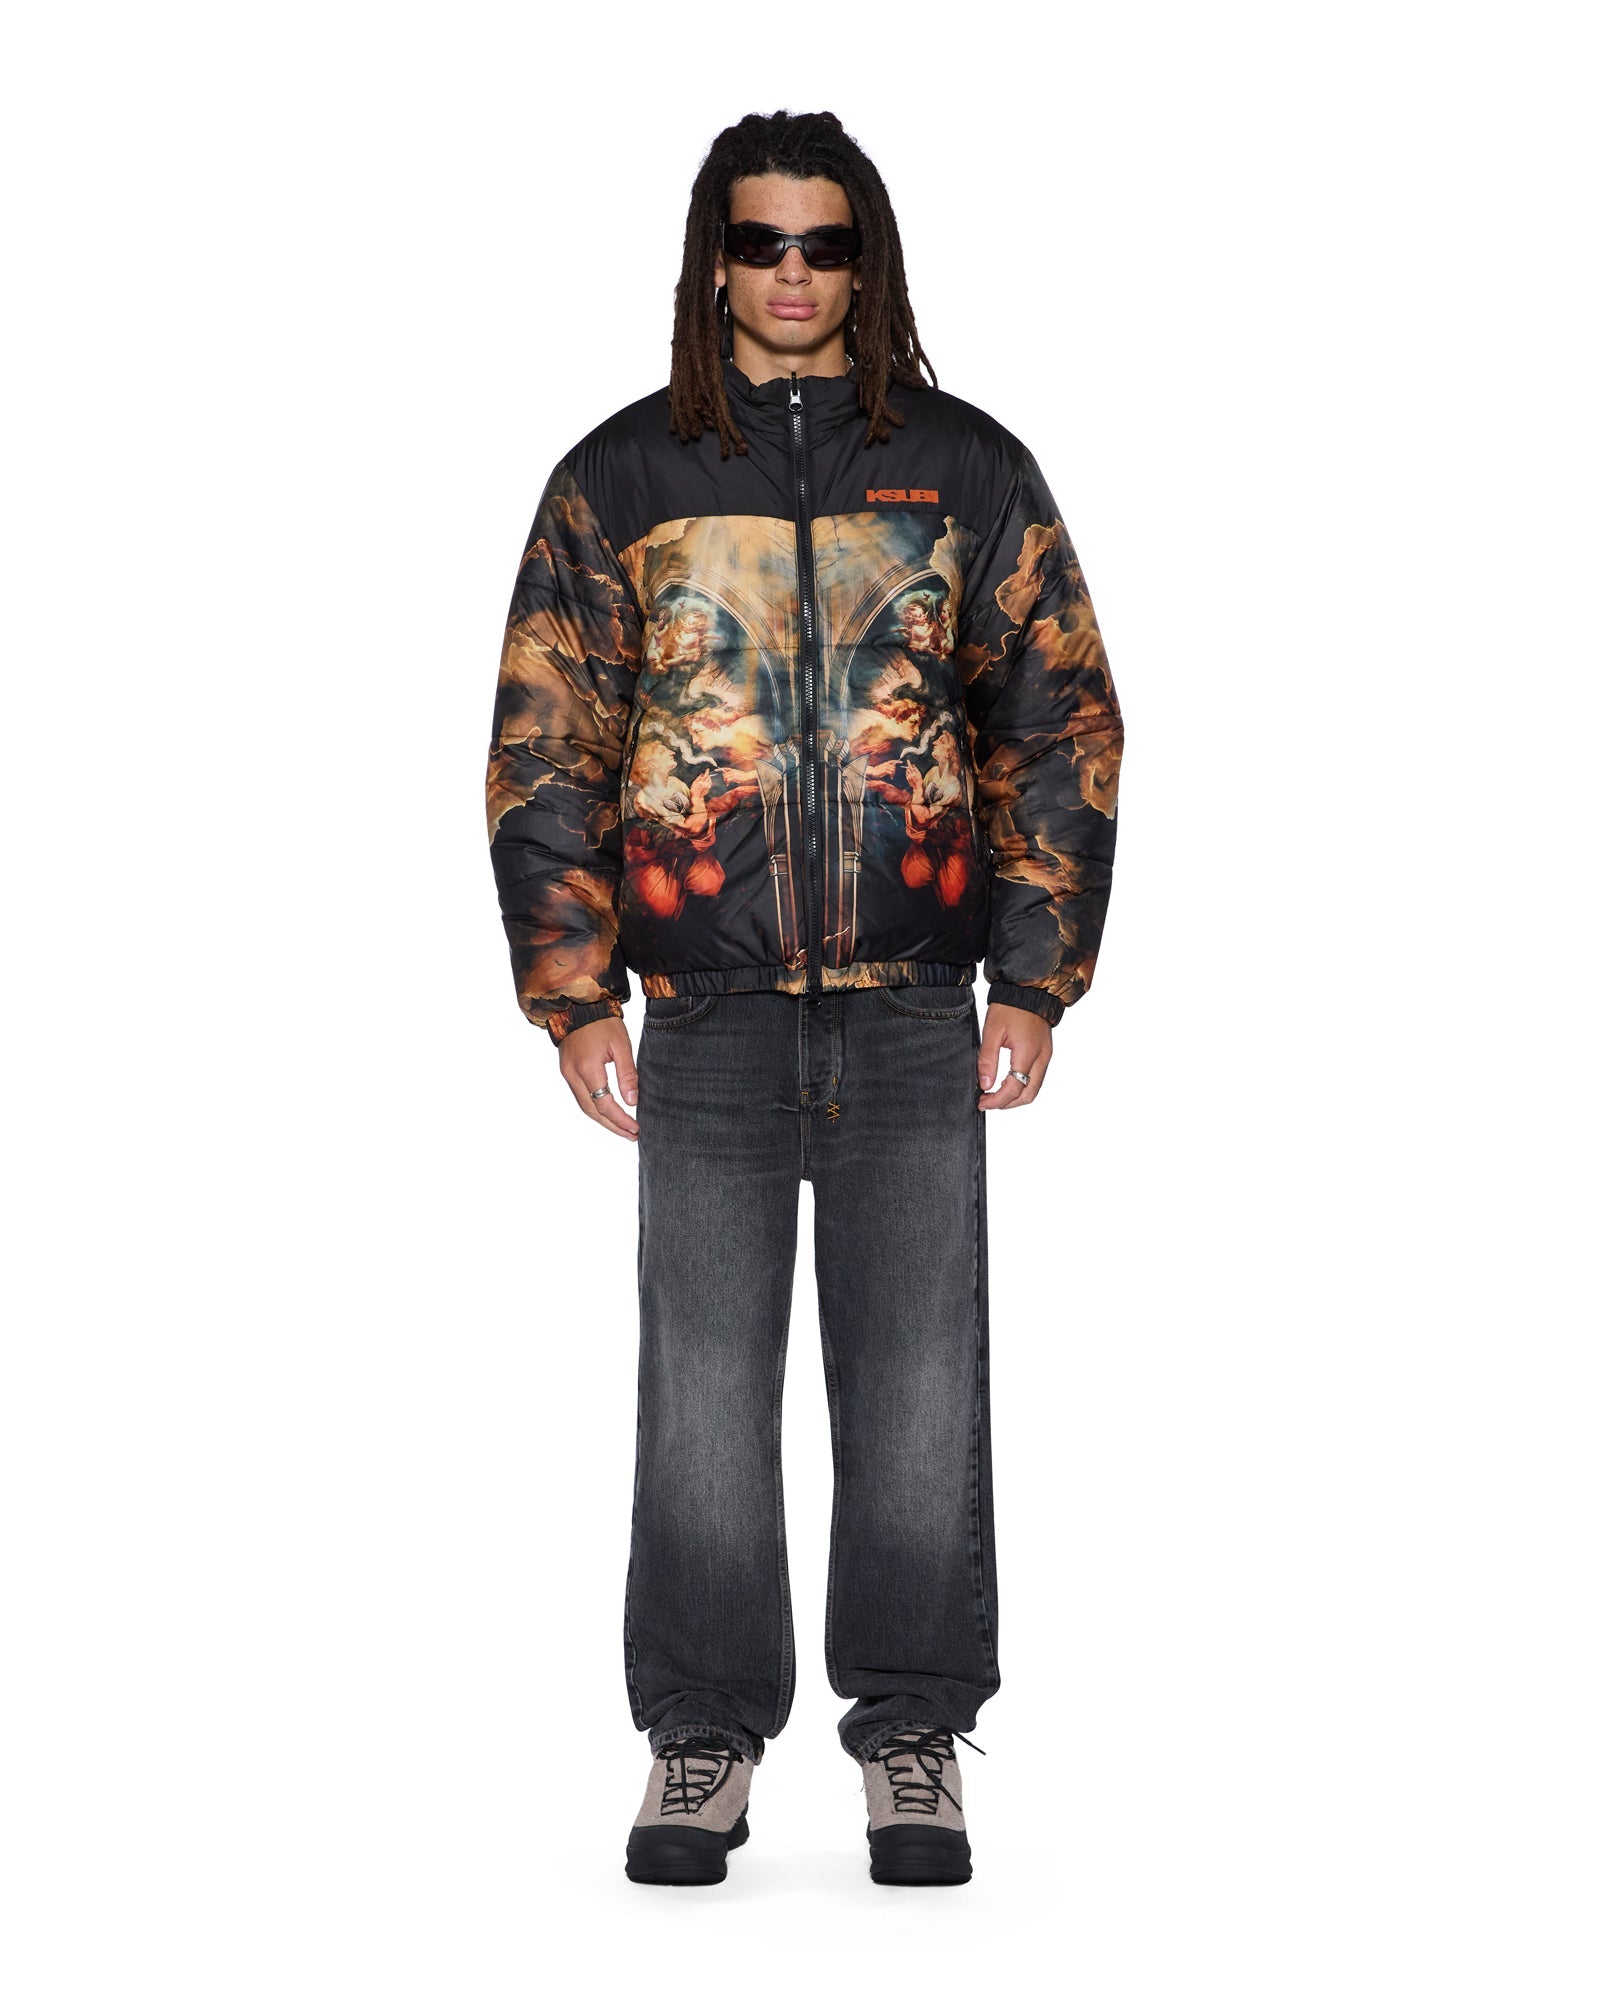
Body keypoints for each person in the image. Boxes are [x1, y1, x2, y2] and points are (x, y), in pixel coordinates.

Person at [486, 109, 1124, 1888]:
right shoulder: (622, 480)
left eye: (824, 244)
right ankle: (702, 1734)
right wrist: (574, 990)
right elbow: (548, 744)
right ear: (715, 259)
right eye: (762, 242)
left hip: (917, 1004)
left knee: (917, 1380)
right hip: (708, 1014)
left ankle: (912, 1732)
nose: (791, 274)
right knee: (702, 1385)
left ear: (867, 260)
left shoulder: (967, 469)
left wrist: (1036, 975)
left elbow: (1057, 721)